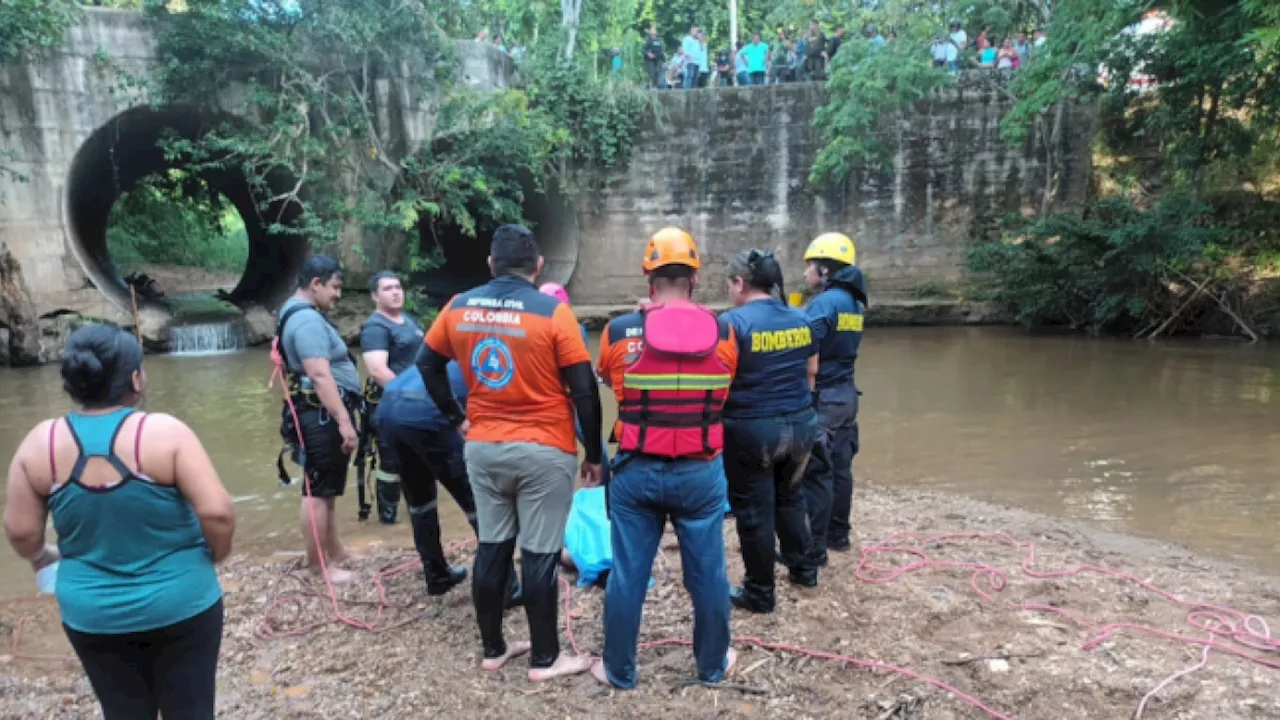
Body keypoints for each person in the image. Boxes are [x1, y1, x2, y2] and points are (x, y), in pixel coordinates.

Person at [4, 323, 235, 719]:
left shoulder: (41, 443)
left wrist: (44, 554)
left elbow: (21, 532)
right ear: (135, 378)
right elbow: (217, 513)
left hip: (92, 613)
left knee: (123, 710)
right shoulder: (165, 433)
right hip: (182, 601)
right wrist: (215, 554)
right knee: (192, 709)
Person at [417, 224, 604, 681]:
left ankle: (494, 649)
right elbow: (584, 390)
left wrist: (456, 417)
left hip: (483, 447)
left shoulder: (459, 307)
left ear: (490, 265)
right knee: (538, 553)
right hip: (544, 448)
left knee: (492, 547)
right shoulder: (553, 313)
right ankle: (545, 659)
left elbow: (426, 363)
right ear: (538, 267)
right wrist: (594, 453)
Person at [590, 228, 740, 689]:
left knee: (628, 575)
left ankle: (619, 671)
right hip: (699, 471)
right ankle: (712, 666)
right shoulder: (724, 331)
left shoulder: (618, 331)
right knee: (709, 574)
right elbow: (725, 386)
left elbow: (606, 378)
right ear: (694, 279)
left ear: (649, 280)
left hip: (635, 470)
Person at [720, 250, 819, 613]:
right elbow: (812, 373)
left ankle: (760, 593)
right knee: (791, 497)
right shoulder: (801, 318)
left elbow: (720, 380)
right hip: (801, 421)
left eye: (730, 284)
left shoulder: (732, 323)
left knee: (754, 512)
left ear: (740, 283)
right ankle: (804, 571)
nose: (729, 291)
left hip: (751, 427)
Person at [276, 254, 361, 583]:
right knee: (317, 492)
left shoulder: (293, 312)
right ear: (315, 284)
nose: (338, 294)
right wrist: (343, 420)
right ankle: (319, 568)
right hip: (322, 414)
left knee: (326, 489)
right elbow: (320, 375)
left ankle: (335, 552)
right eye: (334, 287)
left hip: (315, 411)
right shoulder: (308, 322)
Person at [797, 233, 867, 566]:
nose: (806, 273)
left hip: (824, 396)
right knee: (840, 469)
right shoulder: (853, 301)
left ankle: (814, 549)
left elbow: (803, 344)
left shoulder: (825, 303)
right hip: (846, 395)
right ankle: (839, 535)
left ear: (824, 270)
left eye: (810, 266)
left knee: (816, 472)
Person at [360, 270, 425, 524]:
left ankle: (418, 515)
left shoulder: (409, 321)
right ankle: (388, 521)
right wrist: (410, 394)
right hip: (392, 404)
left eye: (398, 287)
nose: (396, 292)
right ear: (375, 296)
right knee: (391, 465)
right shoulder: (376, 327)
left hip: (418, 401)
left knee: (418, 461)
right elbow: (377, 370)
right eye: (388, 288)